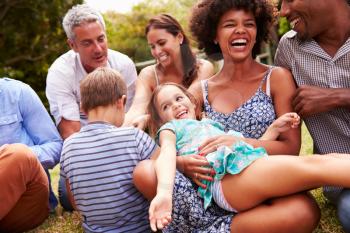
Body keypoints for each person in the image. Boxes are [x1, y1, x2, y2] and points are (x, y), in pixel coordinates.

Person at [144, 82, 350, 232]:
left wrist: (274, 129)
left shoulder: (209, 125)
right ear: (160, 120)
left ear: (191, 101)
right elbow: (166, 155)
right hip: (226, 180)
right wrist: (164, 193)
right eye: (166, 106)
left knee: (329, 159)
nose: (175, 105)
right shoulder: (170, 129)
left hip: (243, 168)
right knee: (316, 166)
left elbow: (246, 149)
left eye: (178, 98)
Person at [46, 3, 138, 211]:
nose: (98, 49)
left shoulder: (124, 65)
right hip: (84, 156)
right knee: (70, 200)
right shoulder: (60, 74)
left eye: (101, 39)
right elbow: (71, 134)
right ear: (72, 45)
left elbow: (132, 118)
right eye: (87, 43)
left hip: (123, 150)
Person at [59, 67, 172, 232]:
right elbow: (167, 173)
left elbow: (74, 201)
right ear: (121, 101)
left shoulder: (68, 146)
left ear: (82, 108)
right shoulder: (134, 137)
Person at [274, 0, 350, 231]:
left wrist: (339, 97)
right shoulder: (288, 49)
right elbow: (279, 123)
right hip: (343, 180)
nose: (284, 11)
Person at [123, 14, 214, 129]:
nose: (157, 51)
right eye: (152, 46)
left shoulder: (203, 67)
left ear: (179, 37)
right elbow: (136, 109)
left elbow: (189, 103)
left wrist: (148, 119)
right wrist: (115, 133)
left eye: (162, 43)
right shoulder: (148, 75)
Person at [0, 77, 62, 232]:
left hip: (25, 200)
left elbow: (55, 146)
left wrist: (15, 156)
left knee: (19, 154)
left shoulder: (18, 92)